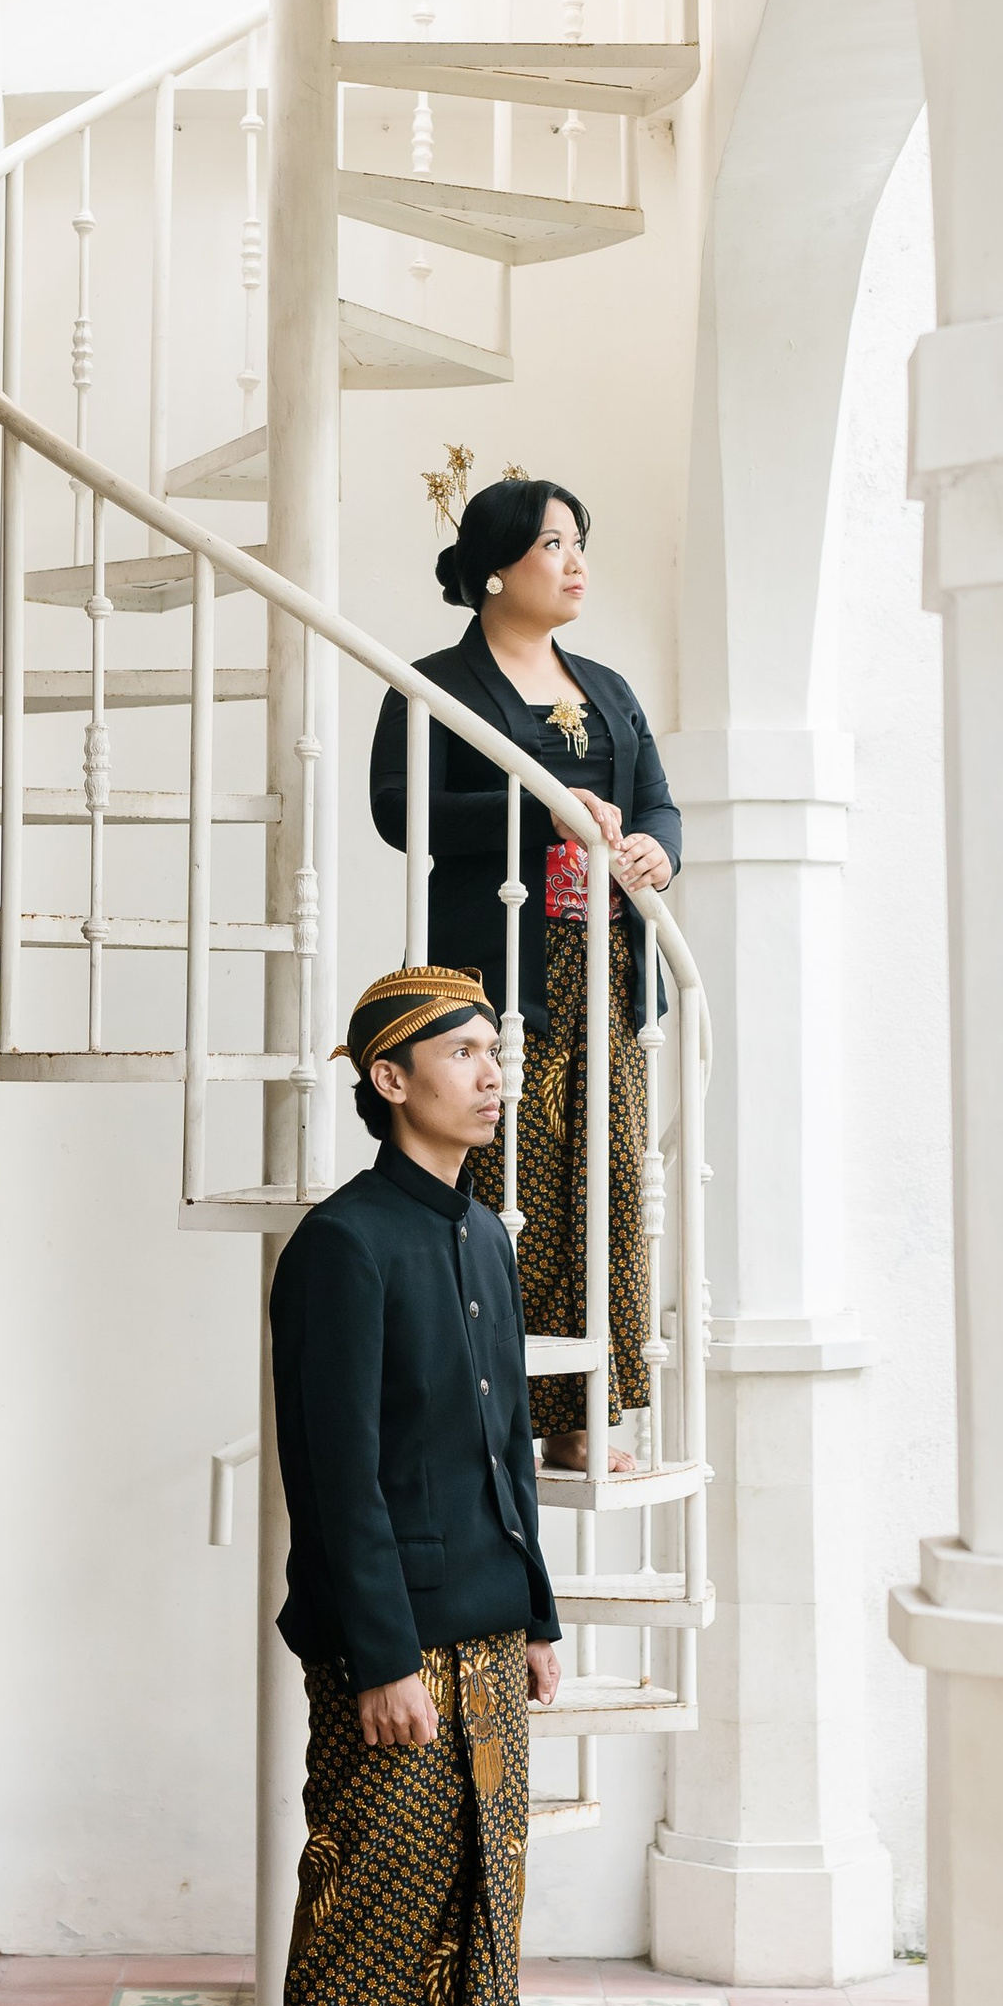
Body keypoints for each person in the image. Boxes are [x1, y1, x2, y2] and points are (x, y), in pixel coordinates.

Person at [268, 967, 562, 2006]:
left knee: (477, 1927)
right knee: (367, 1935)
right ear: (390, 1082)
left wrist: (536, 1612)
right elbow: (337, 1482)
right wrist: (383, 1658)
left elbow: (507, 1452)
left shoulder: (482, 1237)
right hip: (393, 1659)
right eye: (463, 1050)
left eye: (496, 1048)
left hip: (487, 1641)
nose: (492, 1071)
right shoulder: (343, 1247)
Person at [367, 479, 683, 1473]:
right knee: (515, 1182)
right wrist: (532, 805)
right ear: (497, 566)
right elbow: (396, 810)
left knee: (613, 1178)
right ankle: (502, 1415)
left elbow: (659, 807)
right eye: (554, 543)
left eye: (579, 541)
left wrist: (654, 856)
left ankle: (589, 1412)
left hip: (608, 967)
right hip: (497, 977)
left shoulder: (609, 688)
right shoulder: (432, 685)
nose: (576, 561)